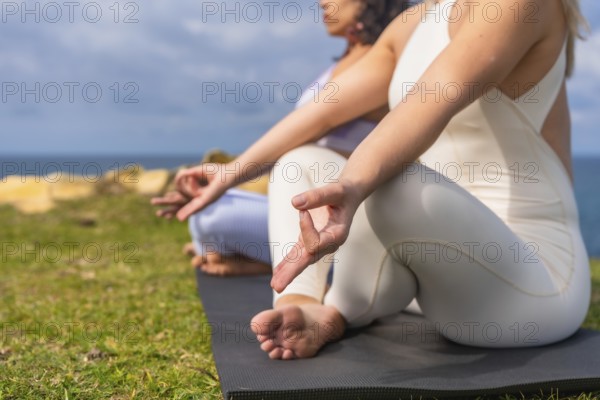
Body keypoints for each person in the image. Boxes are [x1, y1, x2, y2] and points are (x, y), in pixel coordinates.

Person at [160, 0, 591, 360]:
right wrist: (232, 174)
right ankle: (307, 306)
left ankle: (342, 302)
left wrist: (353, 185)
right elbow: (323, 112)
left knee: (389, 180)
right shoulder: (413, 23)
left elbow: (435, 96)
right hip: (432, 277)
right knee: (302, 163)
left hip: (527, 285)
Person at [153, 0, 412, 276]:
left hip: (342, 213)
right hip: (300, 199)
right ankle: (251, 254)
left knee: (214, 218)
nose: (322, 2)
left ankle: (262, 259)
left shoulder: (383, 57)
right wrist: (228, 176)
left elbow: (318, 120)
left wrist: (231, 173)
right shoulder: (347, 57)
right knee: (206, 211)